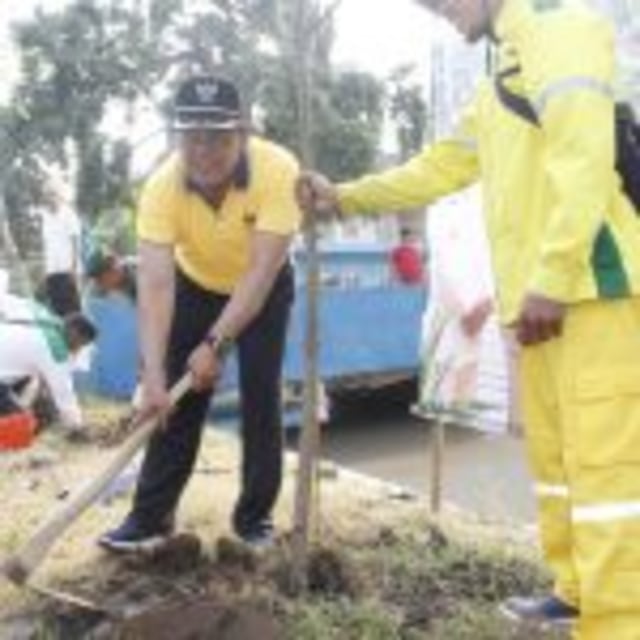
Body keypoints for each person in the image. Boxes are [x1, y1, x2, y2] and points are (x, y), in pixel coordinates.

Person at [297, 0, 640, 637]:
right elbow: (442, 167)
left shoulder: (559, 27)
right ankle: (578, 592)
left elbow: (584, 162)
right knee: (559, 464)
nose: (439, 13)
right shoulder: (500, 68)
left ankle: (621, 622)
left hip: (590, 291)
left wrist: (555, 278)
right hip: (544, 303)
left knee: (609, 474)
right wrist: (345, 197)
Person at [99, 75, 301, 553]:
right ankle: (149, 518)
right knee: (173, 395)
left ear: (244, 134)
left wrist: (216, 343)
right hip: (195, 283)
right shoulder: (160, 188)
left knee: (260, 396)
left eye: (220, 138)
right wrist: (152, 374)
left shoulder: (278, 171)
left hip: (262, 288)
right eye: (193, 138)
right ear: (178, 138)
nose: (205, 151)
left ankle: (254, 520)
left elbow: (260, 271)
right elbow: (154, 283)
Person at [0, 294, 97, 436]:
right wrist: (77, 427)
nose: (77, 350)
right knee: (23, 426)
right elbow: (64, 396)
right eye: (81, 344)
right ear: (74, 333)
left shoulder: (42, 314)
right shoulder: (55, 351)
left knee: (32, 383)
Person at [40, 179, 82, 317]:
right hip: (52, 271)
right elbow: (47, 245)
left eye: (53, 194)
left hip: (67, 269)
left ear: (59, 195)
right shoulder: (45, 217)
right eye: (47, 194)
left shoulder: (68, 214)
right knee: (56, 311)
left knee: (72, 310)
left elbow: (75, 241)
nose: (50, 197)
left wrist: (74, 268)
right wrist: (45, 271)